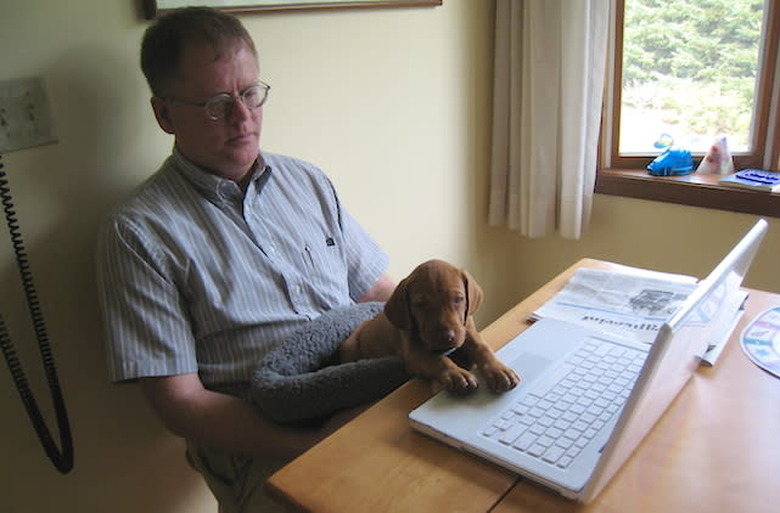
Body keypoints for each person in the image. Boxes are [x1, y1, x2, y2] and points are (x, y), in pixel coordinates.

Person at [95, 7, 395, 512]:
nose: (243, 117)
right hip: (272, 442)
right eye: (216, 103)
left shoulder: (307, 182)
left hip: (365, 389)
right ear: (165, 114)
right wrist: (315, 443)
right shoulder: (138, 233)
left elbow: (381, 293)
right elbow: (181, 404)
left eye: (250, 93)